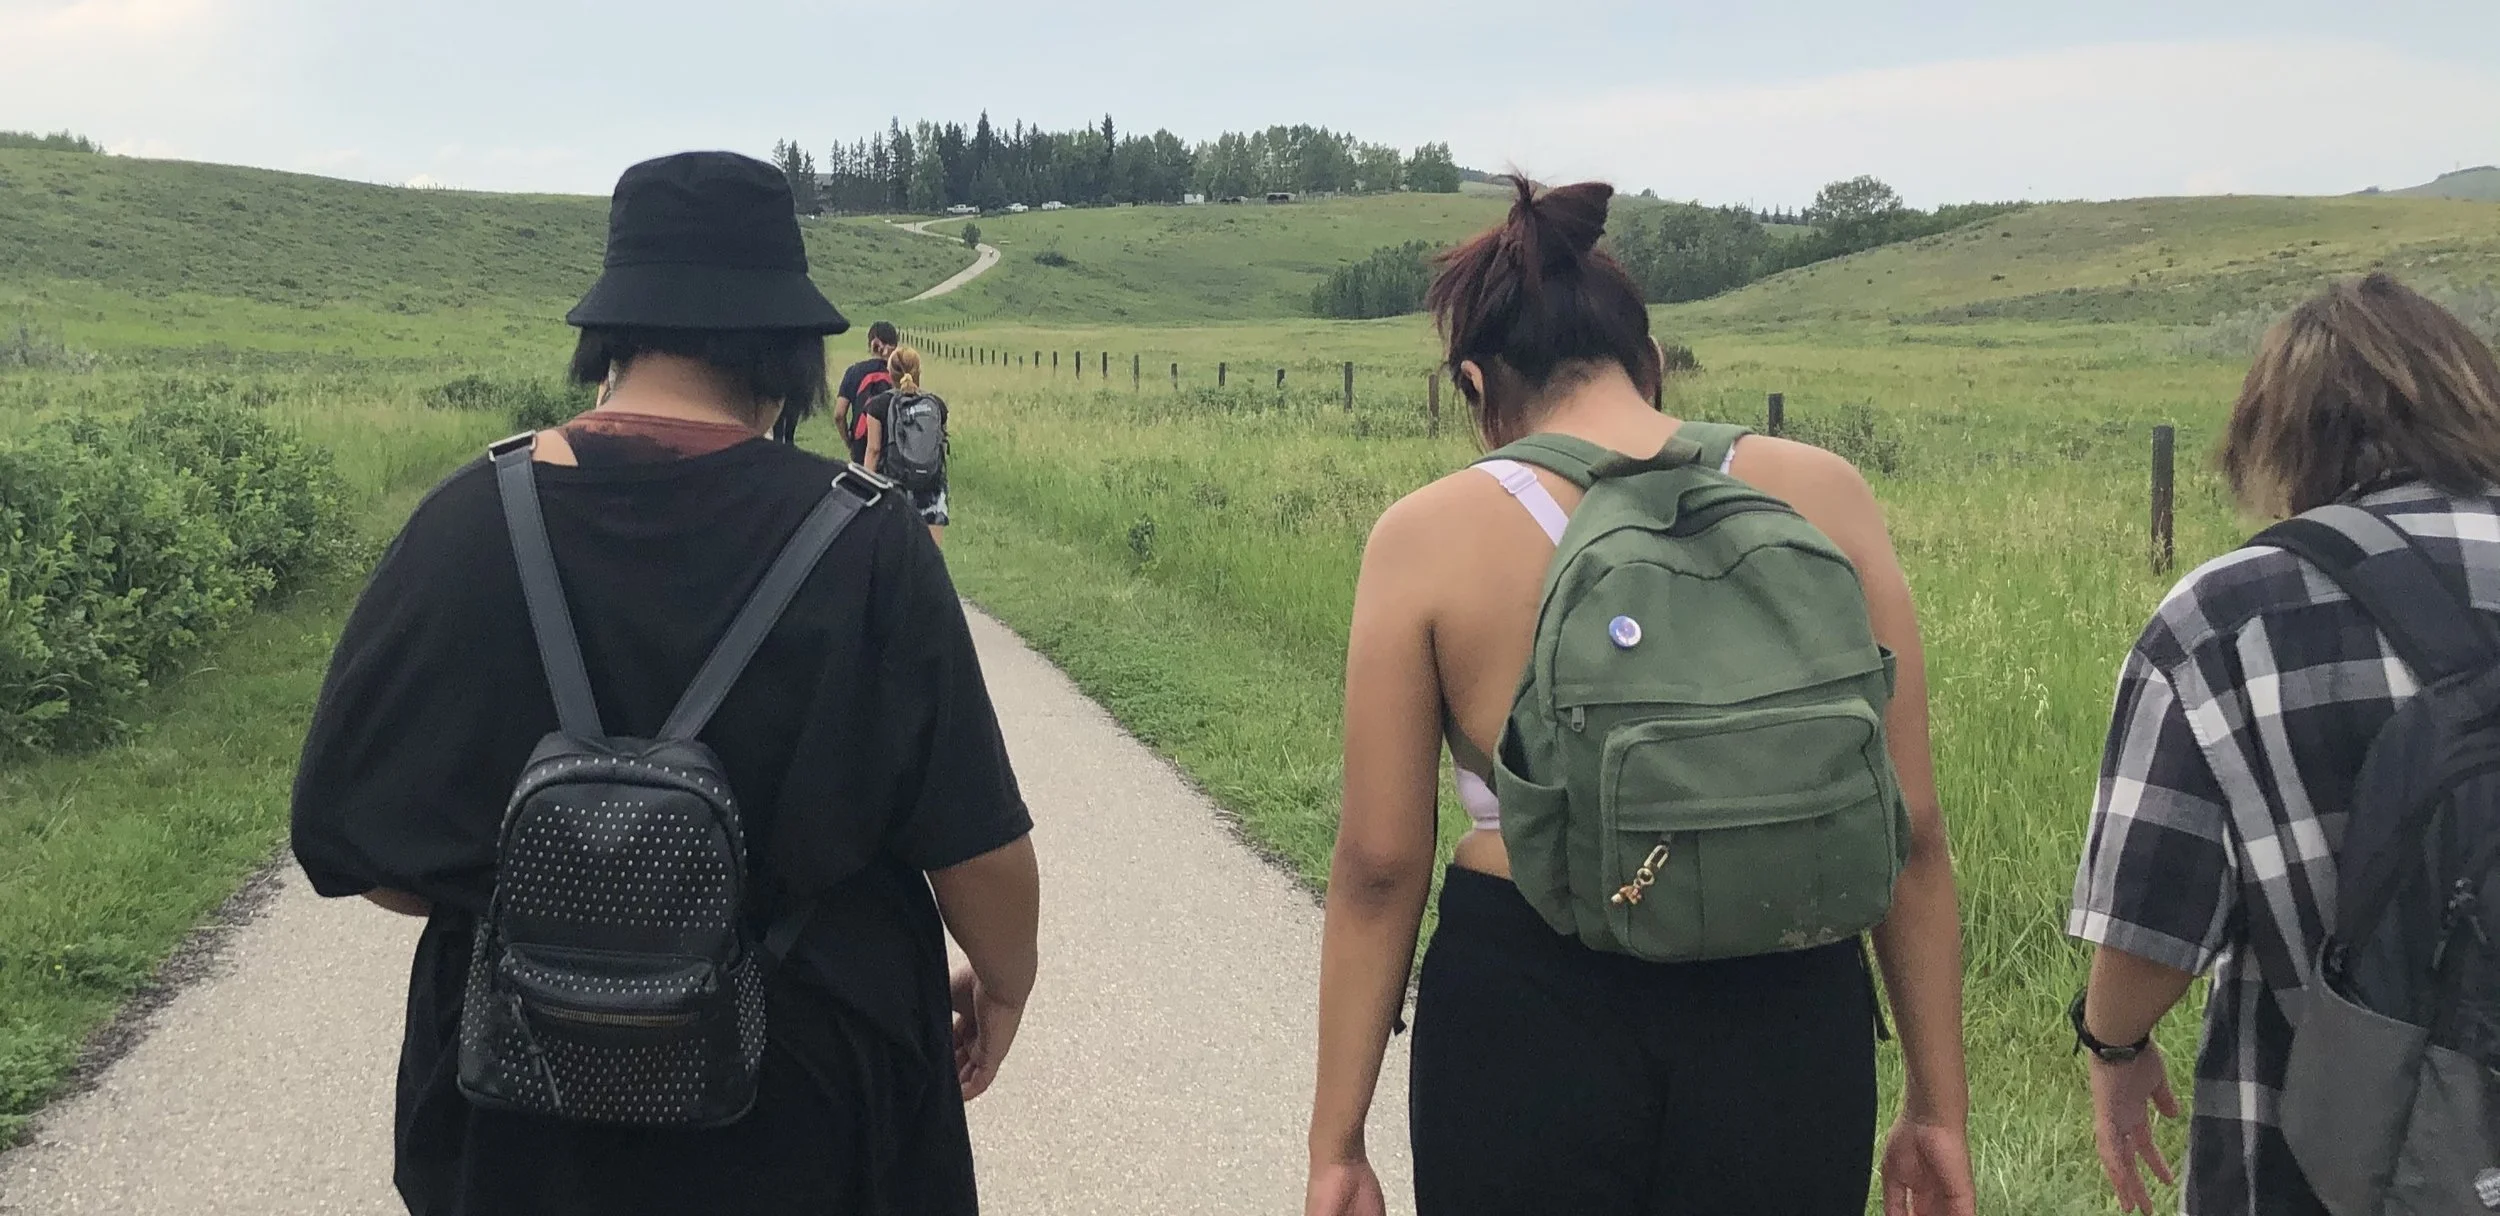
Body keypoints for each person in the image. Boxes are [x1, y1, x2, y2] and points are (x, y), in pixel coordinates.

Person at [289, 151, 1039, 1216]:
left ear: (607, 333)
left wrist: (563, 916)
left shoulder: (464, 522)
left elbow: (349, 839)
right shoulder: (868, 539)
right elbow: (977, 850)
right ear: (791, 348)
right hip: (809, 1117)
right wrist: (1004, 983)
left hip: (517, 1116)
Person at [1305, 176, 1975, 1216]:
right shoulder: (1827, 492)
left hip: (1526, 1003)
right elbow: (1914, 829)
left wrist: (1337, 1141)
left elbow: (1379, 868)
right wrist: (1937, 1108)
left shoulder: (1426, 537)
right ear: (1650, 363)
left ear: (1479, 389)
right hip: (1789, 1004)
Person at [2068, 273, 2500, 1216]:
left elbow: (2152, 931)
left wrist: (2114, 1049)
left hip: (2320, 1156)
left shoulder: (2222, 618)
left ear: (2275, 436)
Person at [861, 343, 948, 545]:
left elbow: (873, 450)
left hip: (894, 485)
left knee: (894, 550)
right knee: (931, 554)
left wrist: (866, 489)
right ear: (918, 372)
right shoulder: (937, 404)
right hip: (931, 485)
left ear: (890, 373)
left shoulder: (878, 405)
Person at [798, 319, 900, 455]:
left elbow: (839, 414)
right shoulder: (901, 373)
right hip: (893, 445)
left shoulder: (854, 371)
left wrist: (848, 441)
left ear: (870, 345)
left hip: (861, 444)